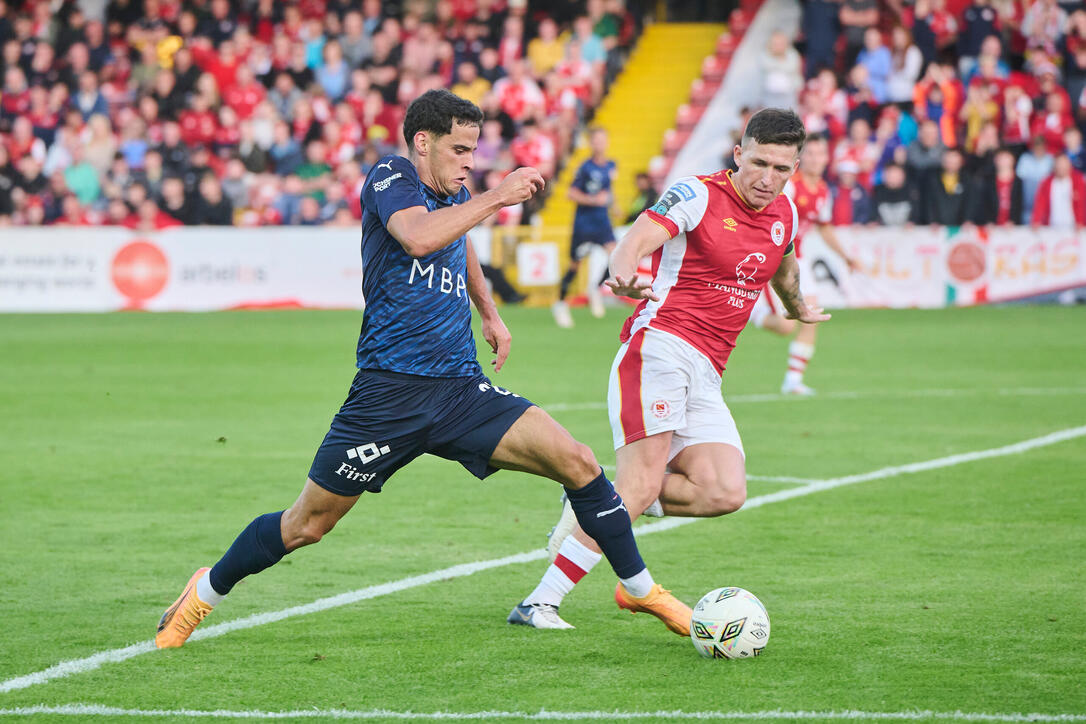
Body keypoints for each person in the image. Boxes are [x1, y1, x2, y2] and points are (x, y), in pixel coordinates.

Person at [155, 90, 685, 647]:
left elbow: (458, 241)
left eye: (474, 151)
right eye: (459, 149)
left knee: (579, 463)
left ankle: (640, 588)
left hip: (461, 391)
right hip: (388, 396)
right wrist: (498, 196)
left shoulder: (453, 197)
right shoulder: (392, 177)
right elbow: (417, 236)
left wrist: (490, 313)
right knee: (306, 525)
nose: (468, 162)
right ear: (423, 142)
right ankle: (204, 594)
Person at [510, 108, 830, 632]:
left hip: (707, 371)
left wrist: (797, 308)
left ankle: (596, 505)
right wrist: (623, 274)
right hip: (659, 349)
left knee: (723, 491)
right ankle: (539, 602)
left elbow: (784, 269)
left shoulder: (785, 214)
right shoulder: (698, 194)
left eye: (781, 169)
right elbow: (635, 240)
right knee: (638, 486)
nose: (768, 178)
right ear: (738, 154)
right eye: (760, 163)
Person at [749, 134, 859, 396]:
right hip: (775, 258)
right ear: (800, 159)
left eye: (821, 154)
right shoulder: (789, 186)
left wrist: (846, 257)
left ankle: (793, 381)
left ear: (827, 158)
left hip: (799, 259)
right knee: (786, 326)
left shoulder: (822, 191)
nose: (816, 159)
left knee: (810, 317)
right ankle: (750, 312)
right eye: (810, 154)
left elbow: (824, 228)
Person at [552, 127, 617, 327]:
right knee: (575, 265)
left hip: (602, 221)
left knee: (616, 256)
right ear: (591, 143)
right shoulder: (585, 168)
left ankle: (595, 288)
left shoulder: (611, 166)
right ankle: (560, 303)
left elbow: (608, 193)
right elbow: (571, 193)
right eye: (596, 140)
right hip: (584, 223)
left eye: (602, 140)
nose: (599, 144)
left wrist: (614, 206)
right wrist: (593, 200)